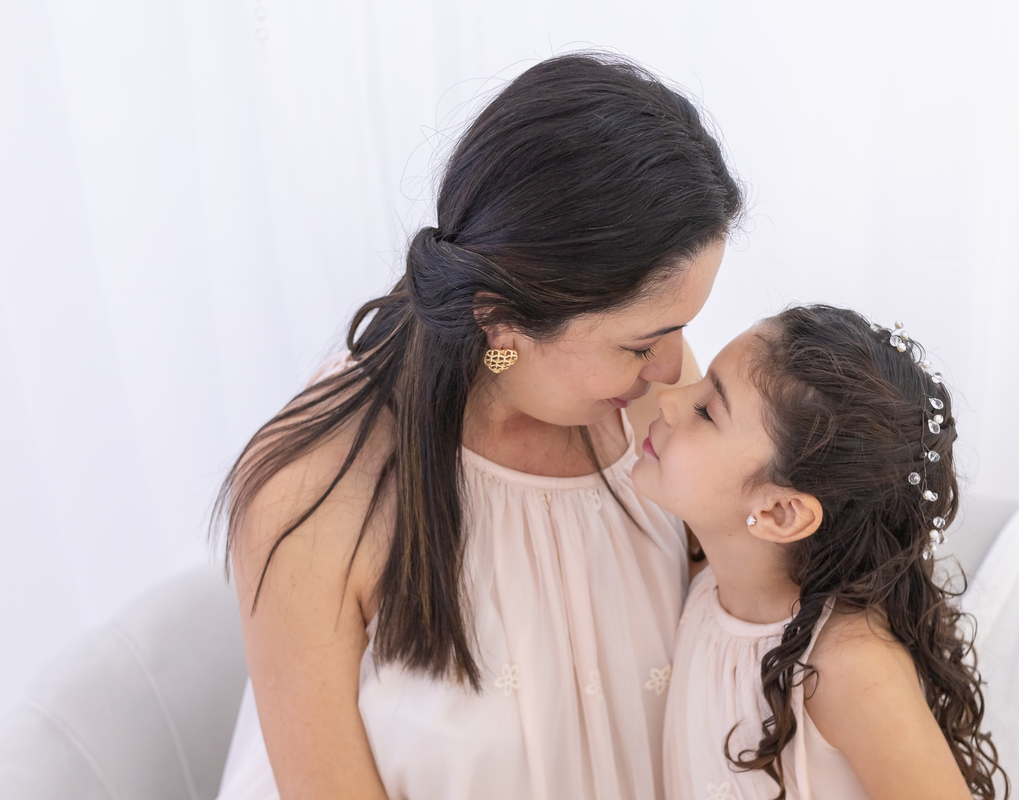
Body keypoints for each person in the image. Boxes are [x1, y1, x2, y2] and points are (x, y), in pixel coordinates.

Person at [214, 53, 742, 800]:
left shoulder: (658, 395)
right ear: (500, 324)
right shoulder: (313, 490)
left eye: (680, 329)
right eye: (636, 344)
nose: (671, 369)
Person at [633, 305, 1008, 800]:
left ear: (782, 513)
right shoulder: (708, 578)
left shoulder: (848, 666)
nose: (670, 401)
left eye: (707, 410)